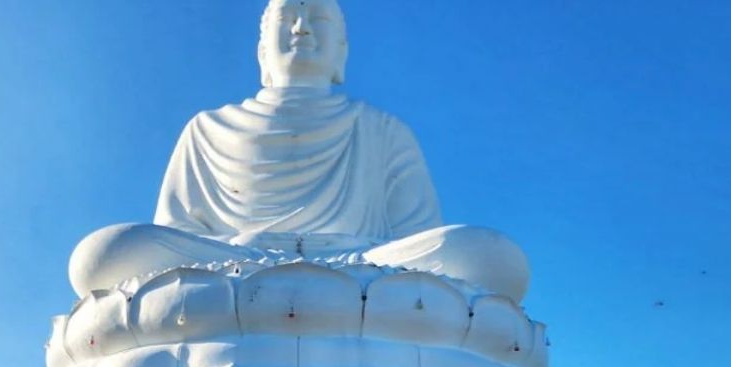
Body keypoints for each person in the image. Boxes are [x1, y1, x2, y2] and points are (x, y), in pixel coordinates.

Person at [68, 0, 531, 304]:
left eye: (320, 19)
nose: (302, 28)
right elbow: (178, 231)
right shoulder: (207, 128)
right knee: (104, 256)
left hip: (364, 270)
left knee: (490, 257)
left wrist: (365, 259)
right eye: (287, 16)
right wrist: (235, 253)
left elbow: (417, 236)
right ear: (261, 49)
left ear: (341, 51)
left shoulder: (382, 129)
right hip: (230, 265)